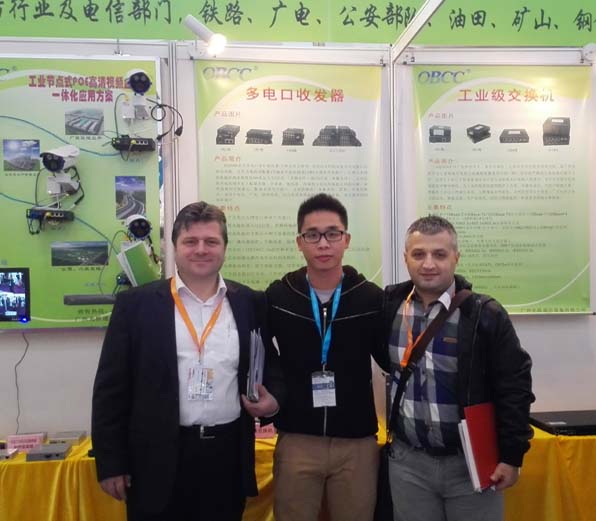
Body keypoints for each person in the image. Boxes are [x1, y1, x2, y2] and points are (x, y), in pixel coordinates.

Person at [92, 202, 261, 521]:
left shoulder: (248, 302)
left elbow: (268, 364)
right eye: (190, 241)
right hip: (155, 459)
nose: (201, 249)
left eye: (211, 241)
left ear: (225, 248)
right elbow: (110, 391)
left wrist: (272, 400)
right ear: (175, 246)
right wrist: (111, 463)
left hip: (226, 458)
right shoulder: (136, 305)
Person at [244, 193, 389, 521]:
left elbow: (390, 358)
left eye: (332, 233)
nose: (323, 243)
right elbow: (262, 354)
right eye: (312, 235)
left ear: (346, 239)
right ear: (300, 242)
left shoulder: (370, 298)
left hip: (357, 443)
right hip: (297, 438)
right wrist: (272, 397)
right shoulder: (280, 295)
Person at [384, 215, 534, 521]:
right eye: (419, 254)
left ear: (456, 257)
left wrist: (511, 455)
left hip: (470, 465)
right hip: (408, 464)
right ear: (405, 258)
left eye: (439, 254)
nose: (428, 264)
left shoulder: (484, 314)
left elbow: (514, 387)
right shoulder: (389, 308)